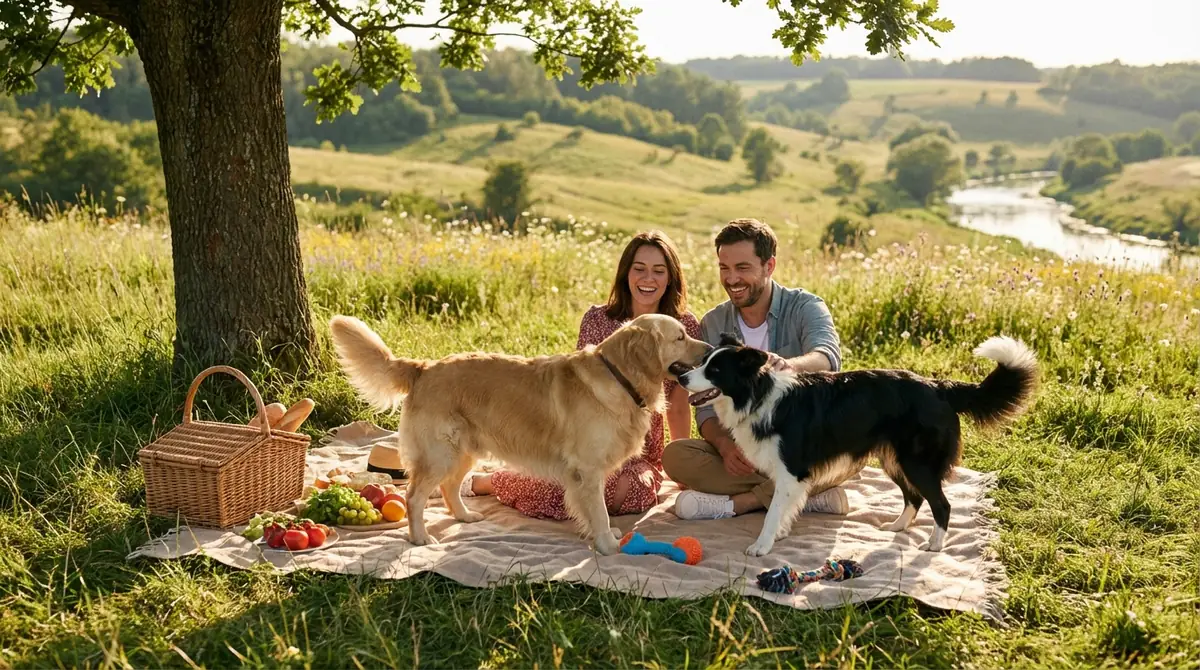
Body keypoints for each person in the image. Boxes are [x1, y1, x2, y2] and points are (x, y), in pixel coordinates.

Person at [437, 231, 702, 519]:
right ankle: (487, 482)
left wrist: (679, 469)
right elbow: (578, 393)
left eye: (658, 271)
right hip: (587, 443)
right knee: (572, 483)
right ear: (626, 274)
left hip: (638, 451)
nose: (648, 279)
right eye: (639, 269)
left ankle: (507, 480)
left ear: (670, 278)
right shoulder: (598, 319)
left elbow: (677, 402)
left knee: (630, 491)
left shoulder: (683, 328)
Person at [662, 218, 858, 520]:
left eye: (742, 268)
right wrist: (725, 446)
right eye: (724, 268)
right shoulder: (714, 323)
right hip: (745, 450)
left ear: (769, 266)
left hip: (799, 445)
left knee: (850, 449)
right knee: (675, 456)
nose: (731, 279)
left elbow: (827, 356)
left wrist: (789, 365)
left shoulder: (805, 306)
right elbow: (705, 406)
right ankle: (804, 494)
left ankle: (741, 503)